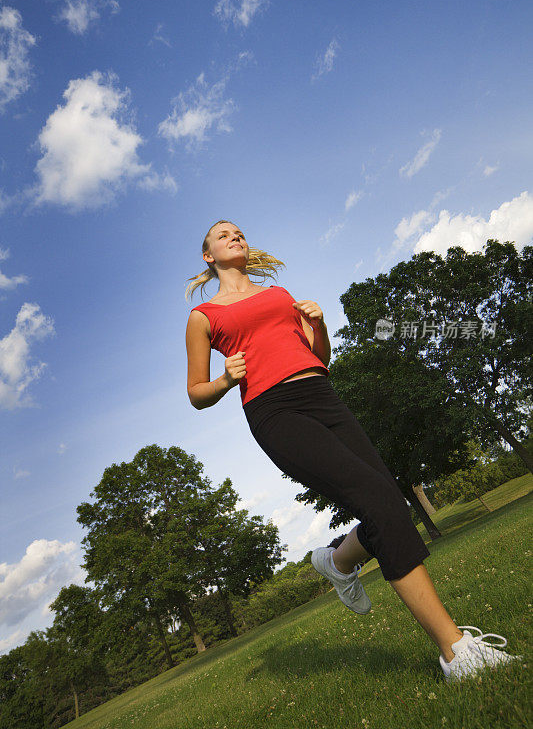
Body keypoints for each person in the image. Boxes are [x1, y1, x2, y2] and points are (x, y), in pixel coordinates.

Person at [185, 219, 522, 683]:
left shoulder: (280, 296)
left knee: (389, 504)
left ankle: (338, 561)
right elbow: (196, 392)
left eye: (239, 232)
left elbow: (319, 356)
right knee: (380, 502)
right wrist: (225, 379)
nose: (235, 237)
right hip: (274, 410)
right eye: (223, 236)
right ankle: (456, 653)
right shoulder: (205, 317)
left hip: (323, 395)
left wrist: (320, 326)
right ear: (208, 256)